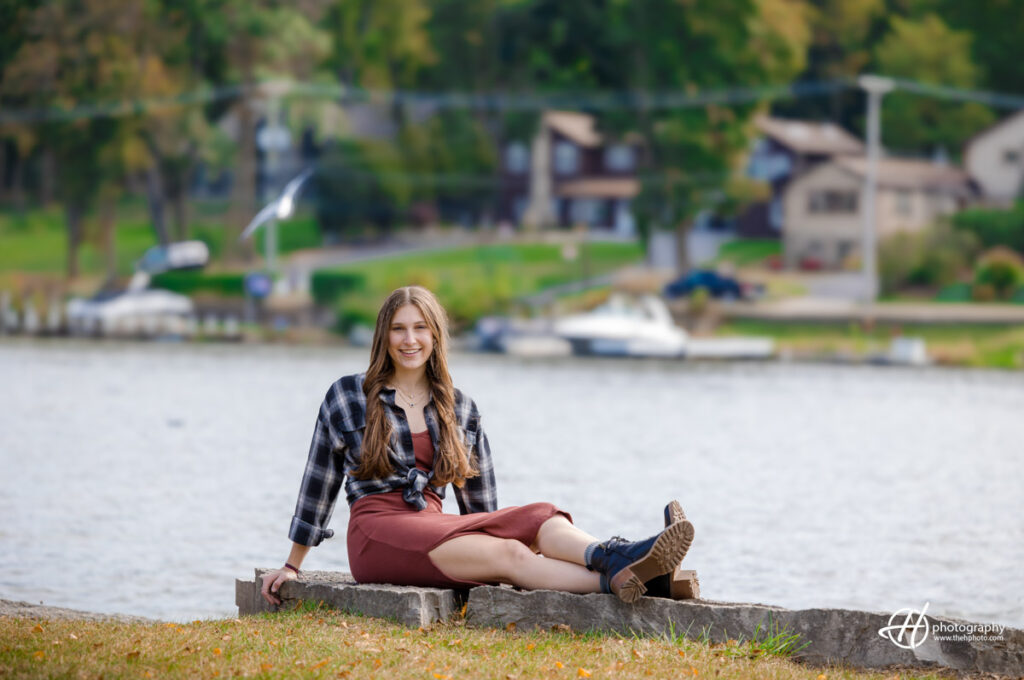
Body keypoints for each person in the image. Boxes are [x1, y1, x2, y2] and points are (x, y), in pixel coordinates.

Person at [261, 286, 694, 606]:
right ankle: (623, 569)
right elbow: (319, 485)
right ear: (383, 335)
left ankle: (624, 567)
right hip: (377, 533)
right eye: (398, 329)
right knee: (508, 551)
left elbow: (485, 512)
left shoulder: (460, 407)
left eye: (420, 328)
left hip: (433, 526)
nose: (409, 340)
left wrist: (492, 539)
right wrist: (293, 565)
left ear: (435, 337)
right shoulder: (348, 395)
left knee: (533, 519)